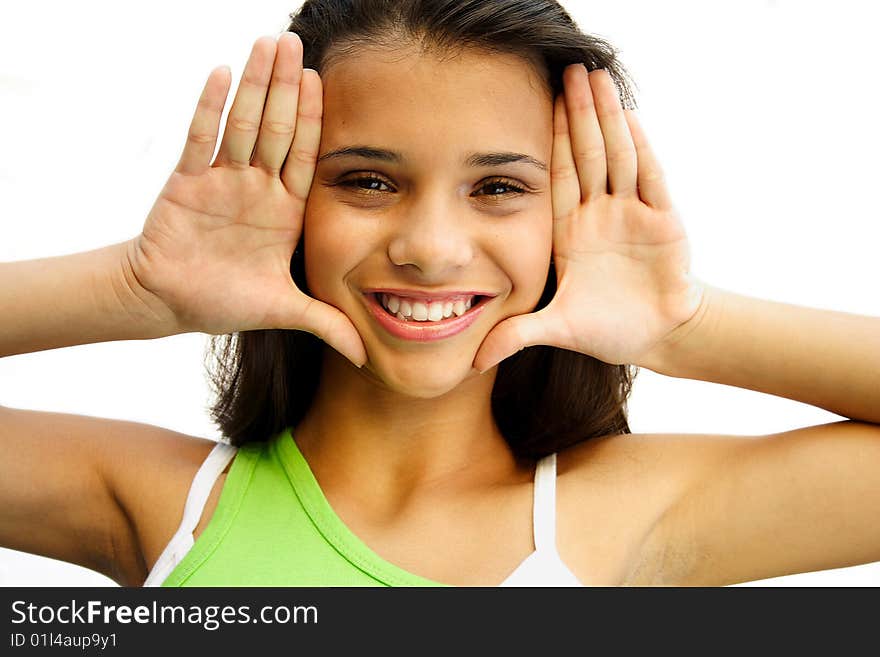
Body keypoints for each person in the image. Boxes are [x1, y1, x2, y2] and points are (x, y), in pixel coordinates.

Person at [1, 0, 879, 587]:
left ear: (563, 214)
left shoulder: (618, 514)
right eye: (368, 181)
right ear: (294, 202)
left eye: (498, 188)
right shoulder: (168, 503)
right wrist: (133, 288)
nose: (429, 248)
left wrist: (685, 326)